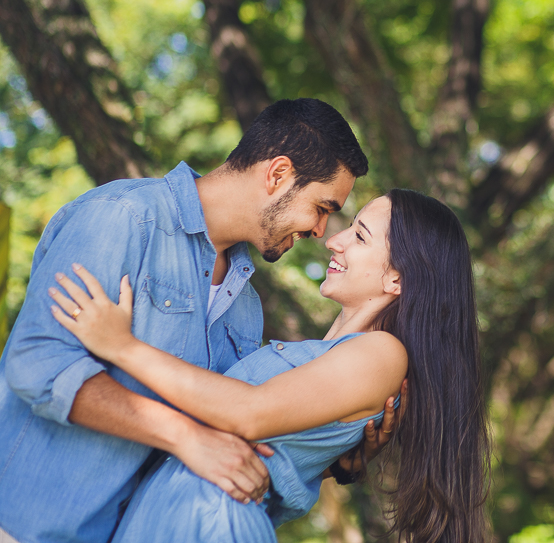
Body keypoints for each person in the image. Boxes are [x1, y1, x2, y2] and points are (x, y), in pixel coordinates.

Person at [0, 98, 387, 543]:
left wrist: (335, 455)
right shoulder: (124, 217)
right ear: (278, 174)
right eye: (322, 207)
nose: (321, 231)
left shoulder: (246, 307)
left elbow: (228, 452)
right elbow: (37, 363)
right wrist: (183, 435)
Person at [48, 189, 489, 543]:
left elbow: (249, 413)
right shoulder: (330, 355)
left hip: (210, 522)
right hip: (170, 516)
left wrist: (121, 346)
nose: (333, 239)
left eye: (359, 236)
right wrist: (342, 461)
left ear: (397, 278)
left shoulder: (383, 353)